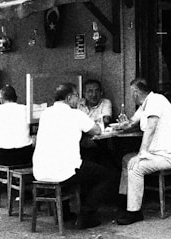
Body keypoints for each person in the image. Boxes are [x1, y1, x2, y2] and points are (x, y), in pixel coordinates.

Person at [32, 82, 114, 229]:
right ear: (69, 98)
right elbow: (96, 131)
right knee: (107, 175)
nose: (78, 99)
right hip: (65, 171)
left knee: (83, 168)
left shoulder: (45, 113)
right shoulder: (75, 114)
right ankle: (86, 215)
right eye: (76, 95)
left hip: (40, 170)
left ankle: (65, 212)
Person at [116, 77, 171, 225]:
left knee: (135, 167)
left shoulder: (156, 101)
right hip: (157, 154)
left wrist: (141, 154)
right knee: (127, 159)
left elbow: (151, 127)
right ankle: (124, 200)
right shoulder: (146, 104)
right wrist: (122, 125)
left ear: (135, 92)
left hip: (168, 156)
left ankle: (134, 212)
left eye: (131, 92)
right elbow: (133, 121)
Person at [0, 85, 33, 169]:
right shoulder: (26, 109)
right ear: (16, 97)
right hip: (24, 155)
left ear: (1, 99)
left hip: (4, 156)